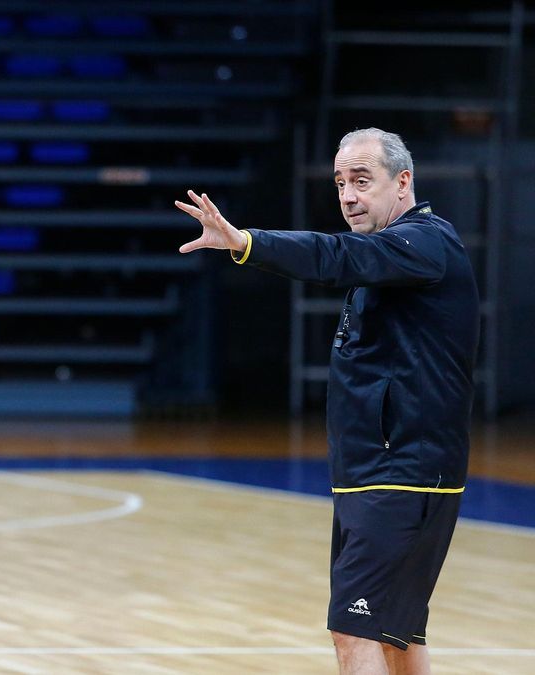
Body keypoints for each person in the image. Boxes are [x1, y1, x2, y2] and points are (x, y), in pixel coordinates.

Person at [176, 127, 479, 675]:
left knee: (354, 629)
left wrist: (246, 242)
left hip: (403, 473)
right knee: (397, 633)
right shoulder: (393, 255)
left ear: (403, 181)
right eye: (341, 181)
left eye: (362, 180)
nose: (348, 195)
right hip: (380, 472)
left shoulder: (426, 243)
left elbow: (334, 254)